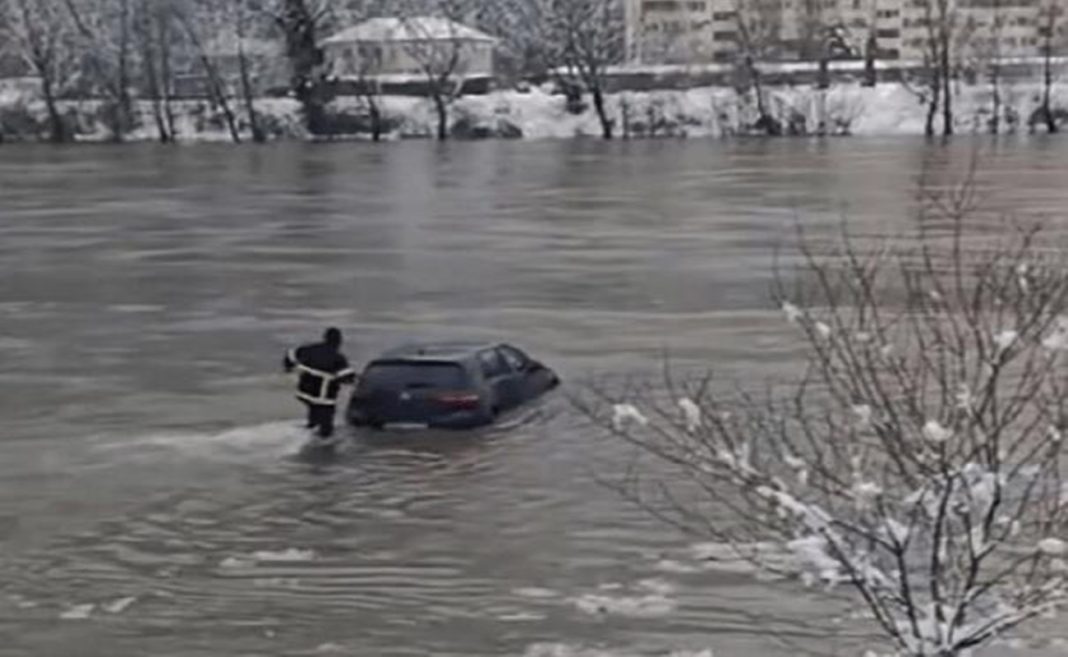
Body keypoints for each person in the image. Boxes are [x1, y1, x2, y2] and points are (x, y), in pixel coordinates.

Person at [283, 327, 356, 440]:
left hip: (305, 392)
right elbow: (347, 378)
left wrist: (288, 368)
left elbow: (290, 355)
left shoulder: (309, 349)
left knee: (314, 411)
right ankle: (321, 441)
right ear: (339, 341)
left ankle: (310, 429)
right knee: (326, 428)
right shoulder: (338, 358)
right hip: (323, 397)